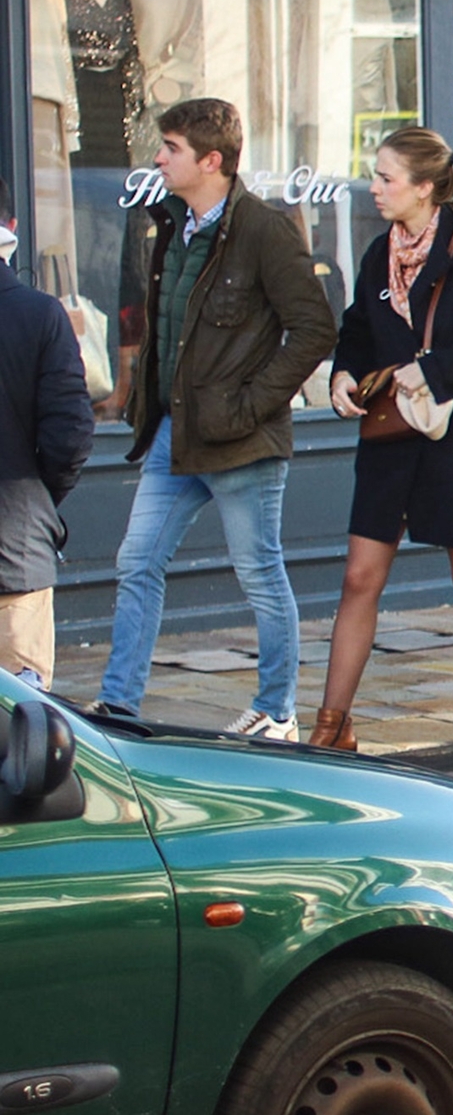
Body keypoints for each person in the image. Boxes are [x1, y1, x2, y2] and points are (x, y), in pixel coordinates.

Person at [92, 98, 335, 737]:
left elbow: (314, 329)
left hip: (242, 441)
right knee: (135, 562)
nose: (158, 157)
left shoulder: (263, 230)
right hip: (175, 432)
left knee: (259, 572)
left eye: (170, 148)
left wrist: (254, 403)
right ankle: (118, 706)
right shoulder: (172, 223)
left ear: (212, 161)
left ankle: (278, 710)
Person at [311, 128, 453, 759]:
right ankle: (333, 726)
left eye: (385, 178)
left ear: (426, 187)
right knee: (360, 577)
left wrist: (431, 369)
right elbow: (357, 329)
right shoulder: (376, 251)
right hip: (390, 436)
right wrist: (342, 374)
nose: (375, 188)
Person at [0, 174, 96, 687]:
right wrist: (38, 497)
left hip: (15, 550)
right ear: (12, 227)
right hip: (14, 555)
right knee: (22, 744)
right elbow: (71, 435)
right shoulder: (40, 315)